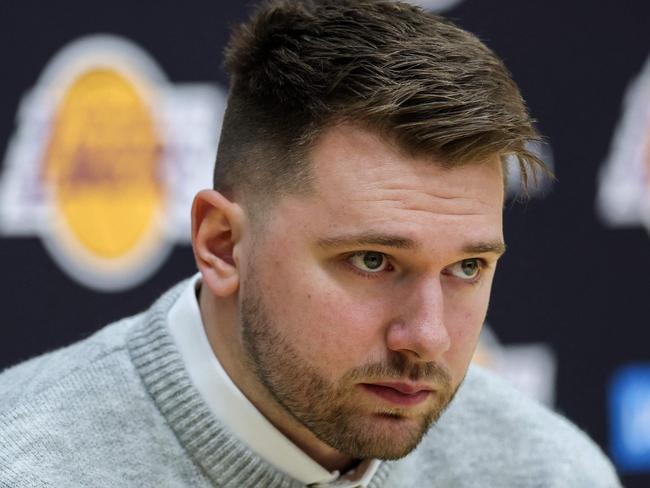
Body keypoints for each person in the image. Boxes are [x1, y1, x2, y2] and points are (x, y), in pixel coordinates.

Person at [0, 1, 621, 486]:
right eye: (373, 261)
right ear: (221, 245)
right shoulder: (26, 464)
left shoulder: (548, 472)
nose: (428, 337)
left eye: (467, 267)